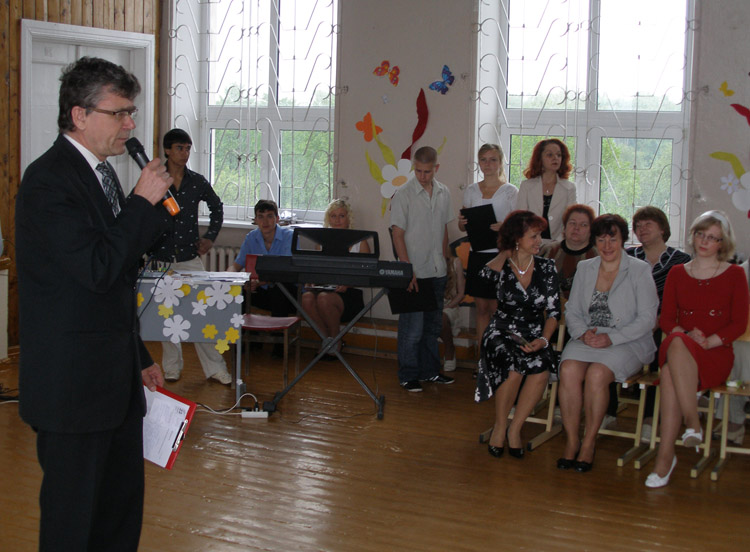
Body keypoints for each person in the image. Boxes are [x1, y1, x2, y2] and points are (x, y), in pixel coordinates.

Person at [15, 57, 172, 551]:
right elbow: (98, 267)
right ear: (79, 115)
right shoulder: (48, 181)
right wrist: (141, 203)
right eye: (119, 112)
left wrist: (138, 356)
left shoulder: (102, 174)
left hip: (115, 382)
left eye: (131, 112)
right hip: (73, 390)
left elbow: (116, 283)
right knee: (72, 524)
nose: (130, 124)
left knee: (118, 516)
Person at [645, 210, 749, 488]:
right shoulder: (678, 272)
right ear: (693, 236)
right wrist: (686, 334)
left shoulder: (735, 274)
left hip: (715, 353)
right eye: (701, 234)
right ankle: (691, 424)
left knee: (669, 373)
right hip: (682, 346)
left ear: (722, 243)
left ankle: (667, 456)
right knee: (677, 342)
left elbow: (739, 323)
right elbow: (667, 320)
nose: (705, 241)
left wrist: (708, 341)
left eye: (713, 238)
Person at [557, 214, 658, 473]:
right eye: (601, 240)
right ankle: (572, 440)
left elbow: (648, 318)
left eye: (612, 239)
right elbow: (572, 310)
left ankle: (589, 442)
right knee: (568, 370)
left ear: (623, 240)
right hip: (589, 337)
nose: (607, 245)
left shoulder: (639, 269)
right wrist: (582, 334)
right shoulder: (585, 268)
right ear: (594, 242)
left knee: (597, 374)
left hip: (626, 340)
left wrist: (611, 338)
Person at [475, 210, 561, 458]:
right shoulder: (500, 266)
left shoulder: (546, 267)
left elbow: (554, 312)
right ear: (516, 239)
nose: (539, 241)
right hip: (501, 330)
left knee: (540, 367)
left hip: (534, 332)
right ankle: (500, 426)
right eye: (533, 236)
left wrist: (543, 340)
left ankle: (516, 428)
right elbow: (482, 280)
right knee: (512, 367)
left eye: (540, 235)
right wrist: (505, 253)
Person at [150, 128, 231, 384]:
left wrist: (210, 237)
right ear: (167, 150)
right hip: (161, 259)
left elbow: (217, 207)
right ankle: (171, 367)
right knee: (166, 315)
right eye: (179, 148)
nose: (184, 153)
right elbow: (136, 209)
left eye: (187, 148)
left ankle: (215, 368)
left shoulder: (196, 181)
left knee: (202, 313)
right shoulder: (153, 180)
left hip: (189, 256)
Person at [390, 146, 455, 392]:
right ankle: (408, 375)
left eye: (427, 172)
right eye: (418, 171)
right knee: (412, 329)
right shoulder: (403, 194)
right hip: (415, 271)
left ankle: (430, 372)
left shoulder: (444, 192)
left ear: (436, 168)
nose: (422, 176)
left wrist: (446, 260)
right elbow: (397, 234)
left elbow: (444, 229)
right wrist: (407, 269)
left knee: (432, 327)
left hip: (437, 269)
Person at [626, 206, 691, 440]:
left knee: (662, 350)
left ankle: (651, 417)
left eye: (648, 225)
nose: (641, 229)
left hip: (663, 323)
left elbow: (683, 301)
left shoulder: (681, 261)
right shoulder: (628, 257)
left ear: (662, 229)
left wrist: (656, 321)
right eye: (638, 226)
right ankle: (609, 411)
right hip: (629, 321)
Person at [458, 144, 518, 361]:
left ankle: (500, 357)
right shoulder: (471, 190)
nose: (488, 164)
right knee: (481, 308)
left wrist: (505, 226)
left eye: (493, 159)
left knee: (497, 308)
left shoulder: (510, 191)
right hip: (478, 253)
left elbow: (519, 227)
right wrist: (462, 222)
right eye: (483, 159)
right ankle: (482, 359)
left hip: (500, 255)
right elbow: (462, 226)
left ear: (500, 162)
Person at [300, 199, 370, 358]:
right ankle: (327, 341)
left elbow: (366, 273)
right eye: (333, 216)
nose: (337, 220)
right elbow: (317, 271)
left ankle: (335, 342)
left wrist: (348, 283)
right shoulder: (321, 243)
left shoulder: (360, 242)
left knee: (324, 299)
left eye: (341, 216)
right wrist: (312, 280)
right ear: (328, 219)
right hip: (326, 288)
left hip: (350, 294)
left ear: (348, 218)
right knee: (306, 298)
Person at [229, 199, 296, 317]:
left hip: (286, 292)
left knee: (279, 289)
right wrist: (229, 279)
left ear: (277, 219)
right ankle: (239, 328)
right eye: (260, 217)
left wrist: (260, 282)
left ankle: (278, 329)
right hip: (261, 290)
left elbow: (286, 271)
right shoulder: (251, 237)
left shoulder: (289, 236)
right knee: (238, 292)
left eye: (269, 216)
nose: (265, 222)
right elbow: (235, 266)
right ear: (255, 220)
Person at [714, 259, 750, 444]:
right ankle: (734, 420)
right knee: (734, 350)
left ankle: (734, 420)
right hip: (742, 339)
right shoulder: (740, 272)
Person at [517, 138, 577, 242]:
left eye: (559, 155)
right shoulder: (526, 186)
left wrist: (557, 244)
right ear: (540, 159)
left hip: (558, 244)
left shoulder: (569, 188)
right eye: (550, 155)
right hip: (530, 243)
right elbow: (521, 219)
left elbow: (571, 220)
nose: (555, 158)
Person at [542, 203, 597, 300]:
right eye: (572, 223)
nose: (576, 228)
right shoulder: (548, 251)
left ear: (590, 231)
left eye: (583, 225)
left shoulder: (597, 256)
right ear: (565, 226)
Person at [440, 250, 466, 371]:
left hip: (450, 306)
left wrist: (448, 306)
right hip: (433, 306)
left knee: (442, 317)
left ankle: (449, 350)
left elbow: (461, 293)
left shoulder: (455, 262)